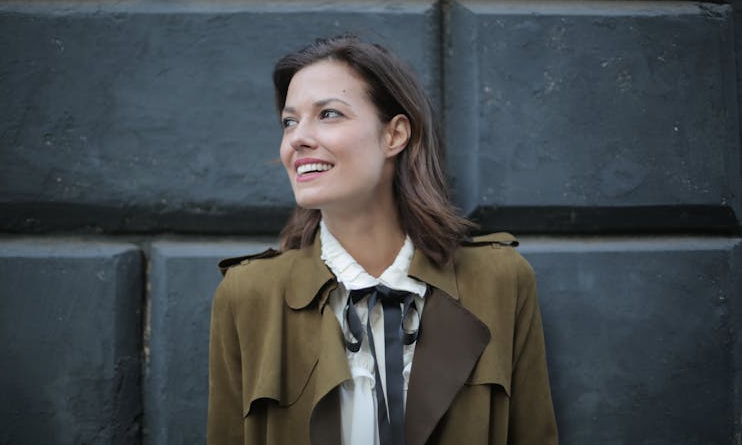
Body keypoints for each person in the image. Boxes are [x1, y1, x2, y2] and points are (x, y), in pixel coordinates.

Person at [207, 35, 558, 445]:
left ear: (394, 135)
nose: (297, 138)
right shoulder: (247, 295)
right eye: (290, 121)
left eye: (329, 114)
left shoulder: (500, 280)